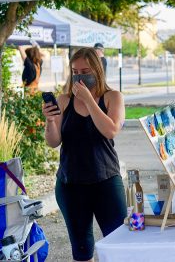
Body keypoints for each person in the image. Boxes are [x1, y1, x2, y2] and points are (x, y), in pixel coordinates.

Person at [42, 47, 126, 262]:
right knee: (81, 248)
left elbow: (111, 130)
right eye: (75, 71)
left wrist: (89, 100)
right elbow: (53, 142)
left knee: (119, 244)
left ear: (97, 70)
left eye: (85, 70)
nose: (80, 76)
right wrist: (50, 121)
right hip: (71, 184)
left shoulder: (112, 97)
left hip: (105, 180)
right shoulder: (64, 100)